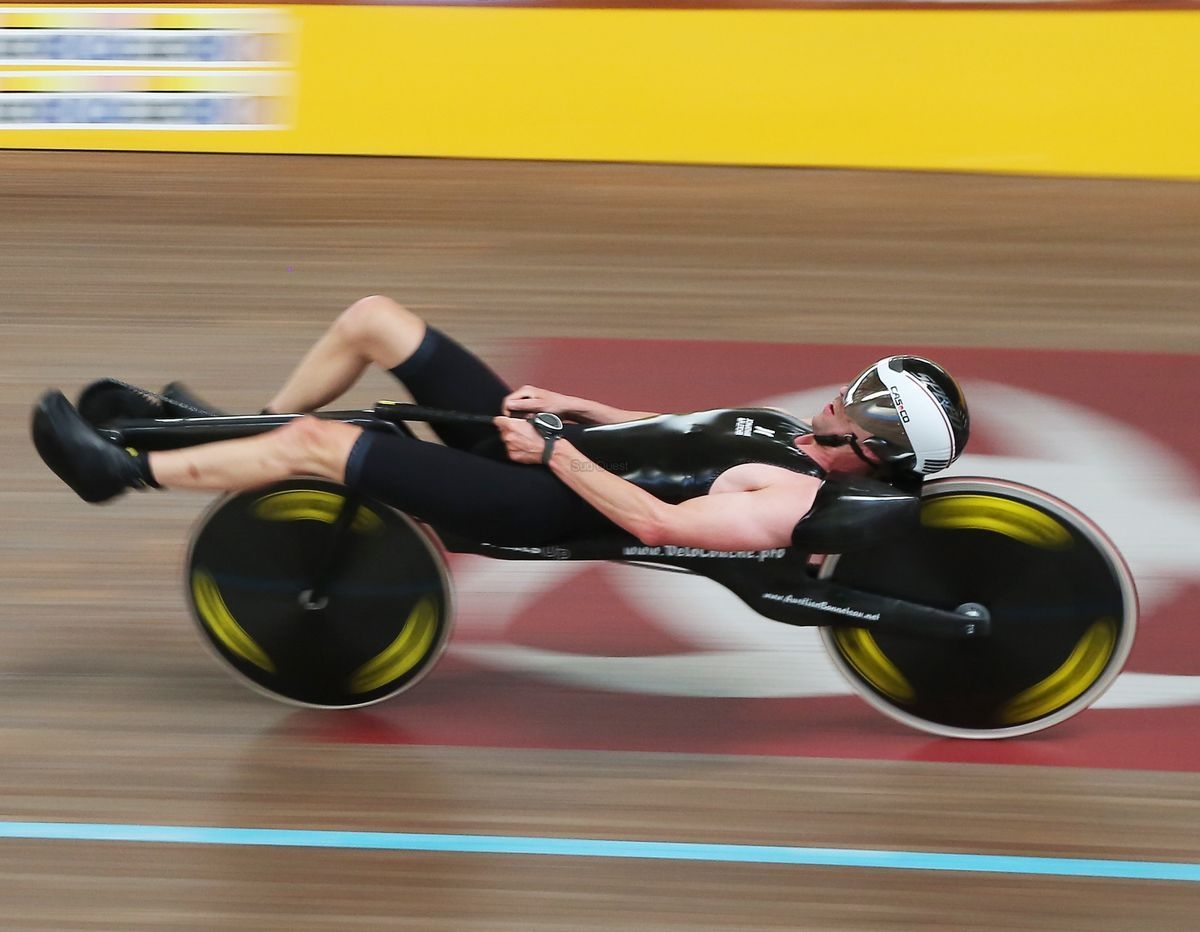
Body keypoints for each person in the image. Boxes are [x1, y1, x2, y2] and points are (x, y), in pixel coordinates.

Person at [31, 295, 969, 552]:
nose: (842, 397)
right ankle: (242, 425)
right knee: (376, 319)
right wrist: (578, 410)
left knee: (325, 448)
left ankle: (118, 472)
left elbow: (657, 521)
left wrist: (556, 453)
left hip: (538, 501)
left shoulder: (791, 499)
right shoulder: (785, 434)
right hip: (544, 448)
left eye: (866, 405)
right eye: (861, 384)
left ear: (876, 450)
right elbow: (673, 432)